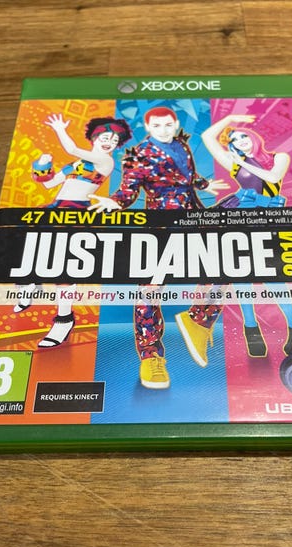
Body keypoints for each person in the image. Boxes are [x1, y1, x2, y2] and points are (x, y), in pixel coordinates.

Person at [89, 106, 229, 388]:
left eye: (167, 125)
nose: (163, 130)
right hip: (161, 226)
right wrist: (115, 202)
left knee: (225, 267)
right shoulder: (139, 155)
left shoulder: (181, 145)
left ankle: (198, 322)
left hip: (195, 218)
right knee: (150, 290)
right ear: (148, 128)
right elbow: (129, 188)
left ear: (175, 124)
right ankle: (151, 355)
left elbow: (187, 175)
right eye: (157, 126)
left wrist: (203, 184)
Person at [201, 114, 292, 357]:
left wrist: (243, 163)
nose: (240, 141)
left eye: (243, 136)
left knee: (267, 269)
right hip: (238, 211)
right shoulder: (235, 163)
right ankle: (251, 328)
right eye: (234, 140)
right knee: (240, 271)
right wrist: (230, 118)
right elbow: (207, 137)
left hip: (266, 214)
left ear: (253, 137)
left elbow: (273, 177)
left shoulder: (278, 157)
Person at [17, 114, 131, 348]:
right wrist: (42, 164)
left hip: (76, 212)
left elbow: (70, 148)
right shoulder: (77, 164)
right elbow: (48, 183)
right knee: (30, 247)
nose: (109, 142)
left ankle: (64, 319)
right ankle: (31, 284)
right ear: (94, 138)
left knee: (64, 267)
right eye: (105, 137)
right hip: (55, 209)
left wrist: (60, 129)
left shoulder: (105, 162)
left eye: (114, 140)